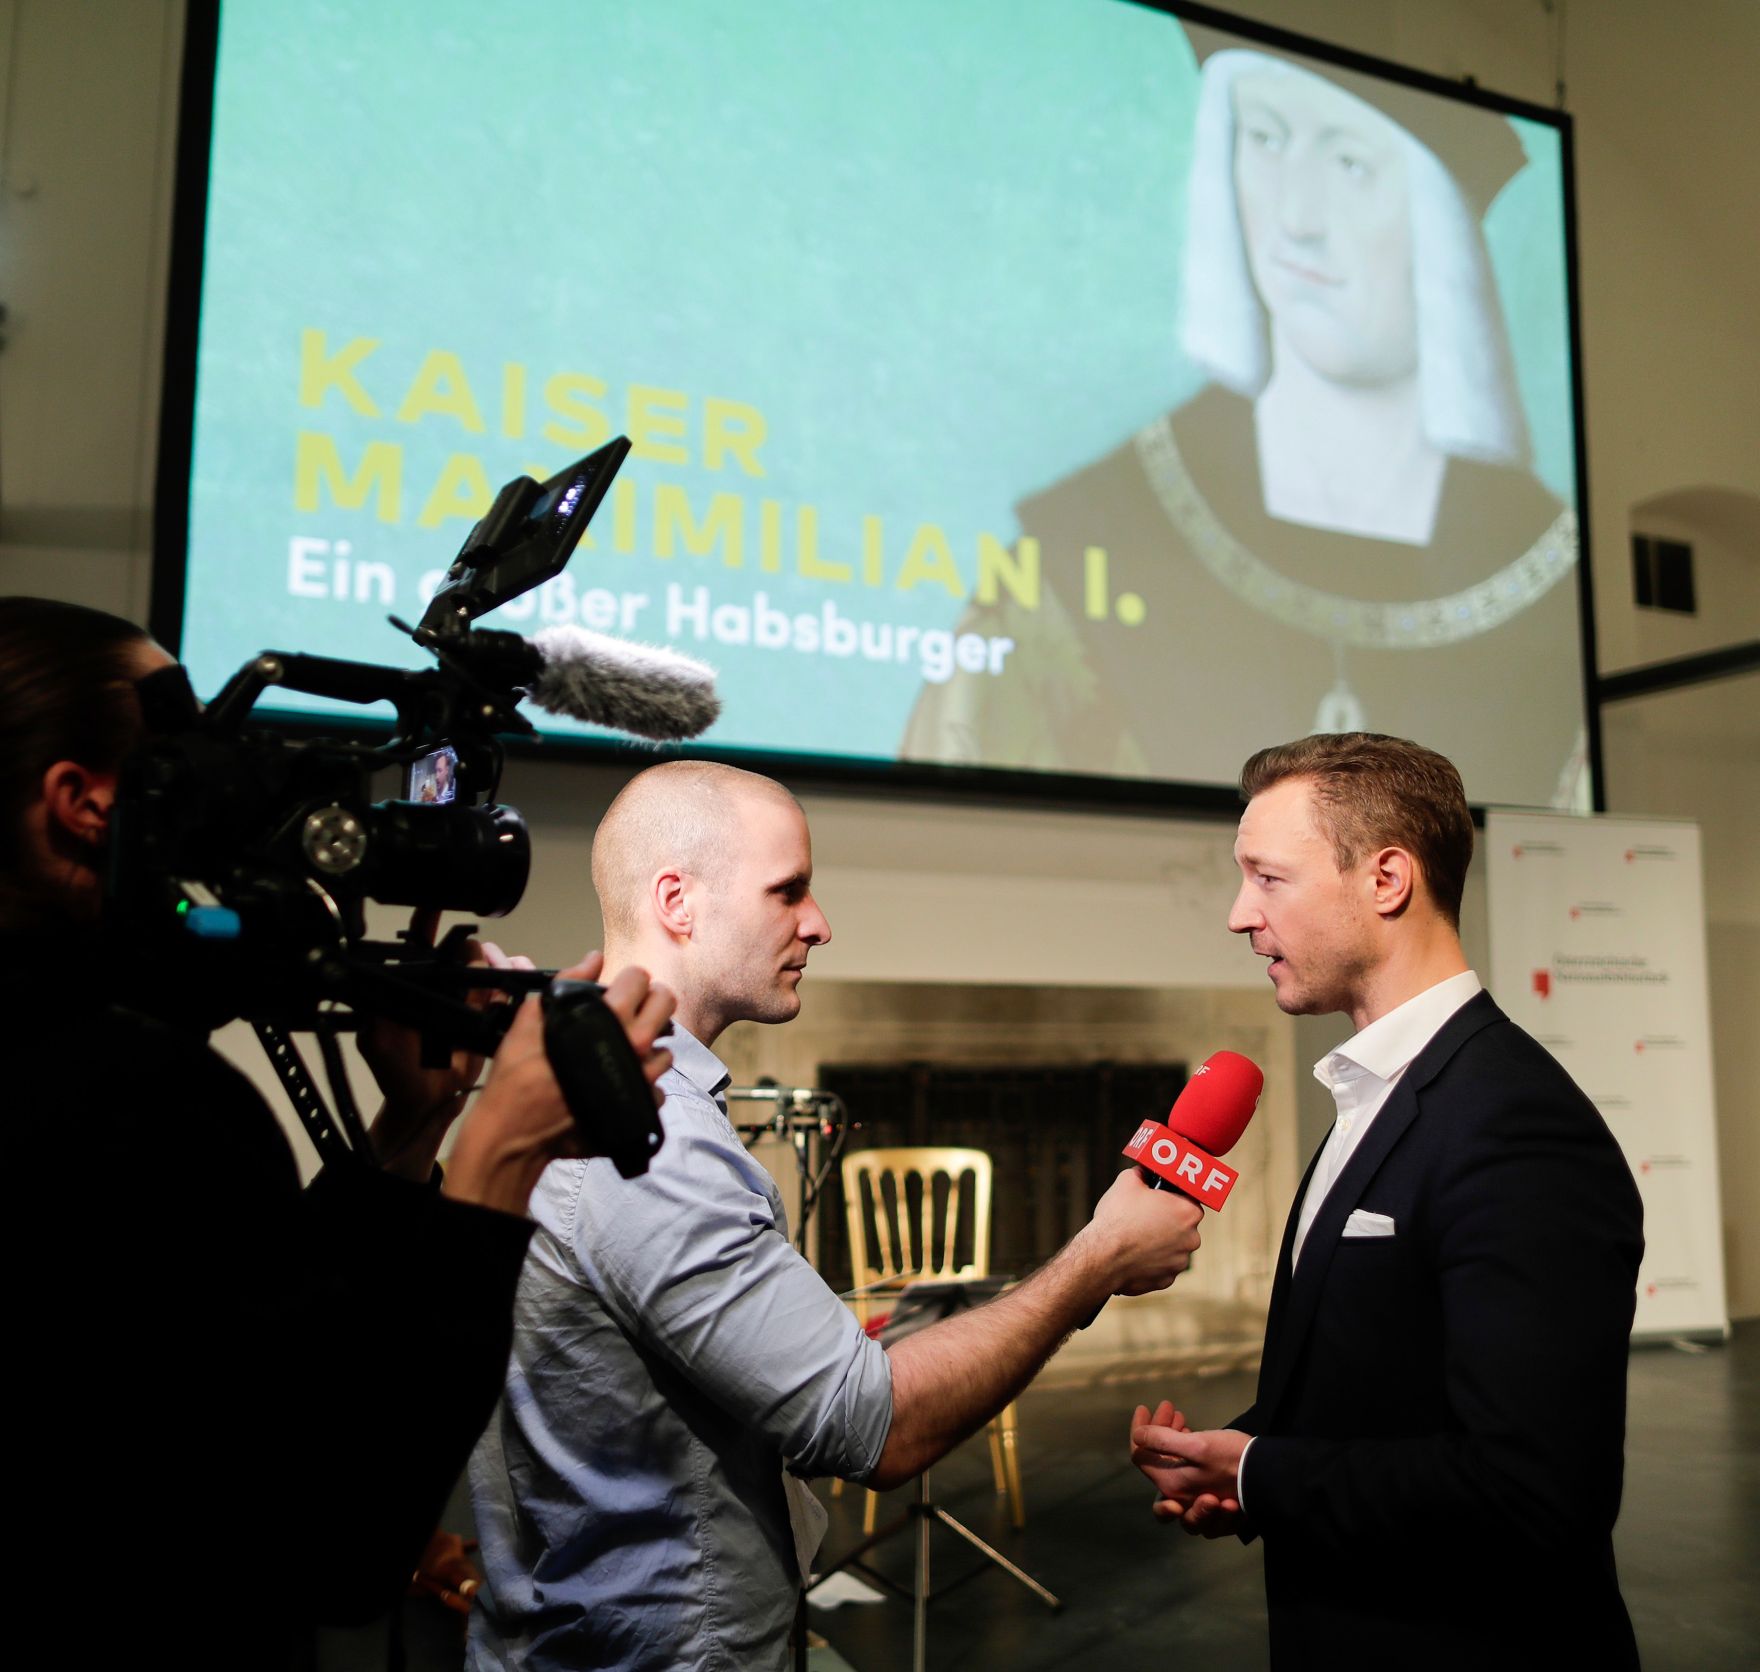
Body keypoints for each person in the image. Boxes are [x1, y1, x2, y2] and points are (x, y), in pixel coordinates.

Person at [0, 597, 675, 1668]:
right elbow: (336, 1534)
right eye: (183, 749)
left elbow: (252, 1342)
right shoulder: (128, 1093)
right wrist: (499, 1155)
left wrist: (411, 1125)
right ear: (84, 803)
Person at [467, 759, 1207, 1672]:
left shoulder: (576, 1088)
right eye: (788, 891)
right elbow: (874, 1426)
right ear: (677, 902)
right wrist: (1097, 1258)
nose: (818, 922)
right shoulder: (648, 1138)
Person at [903, 29, 1586, 808]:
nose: (1296, 218)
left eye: (1350, 164)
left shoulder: (1550, 574)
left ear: (1443, 223)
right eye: (1265, 138)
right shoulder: (1081, 543)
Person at [1128, 733, 1643, 1668]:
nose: (1240, 914)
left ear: (1387, 879)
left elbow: (1534, 1489)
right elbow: (1382, 1394)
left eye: (1268, 878)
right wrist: (1237, 1459)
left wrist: (1263, 1470)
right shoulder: (1375, 1094)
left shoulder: (1516, 1124)